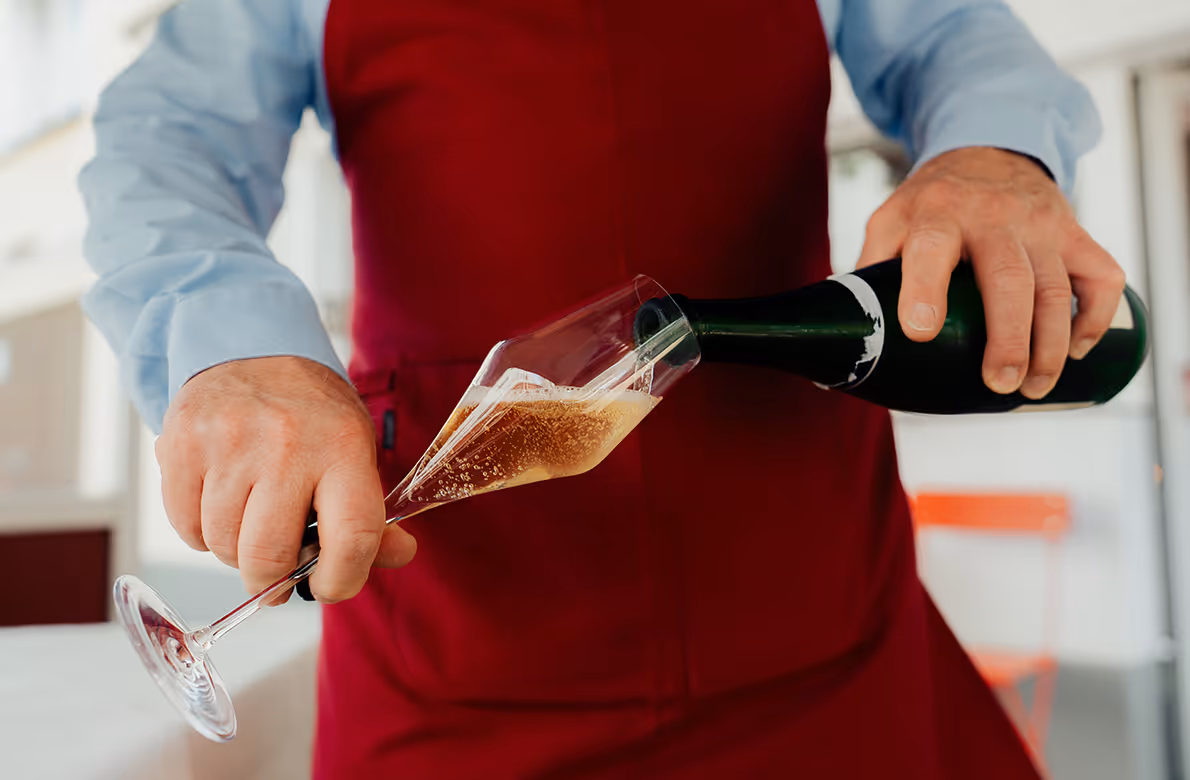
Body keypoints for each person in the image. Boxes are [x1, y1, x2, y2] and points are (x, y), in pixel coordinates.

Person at [79, 0, 1124, 776]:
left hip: (815, 621)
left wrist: (994, 155)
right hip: (454, 643)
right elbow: (171, 138)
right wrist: (238, 344)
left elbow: (952, 32)